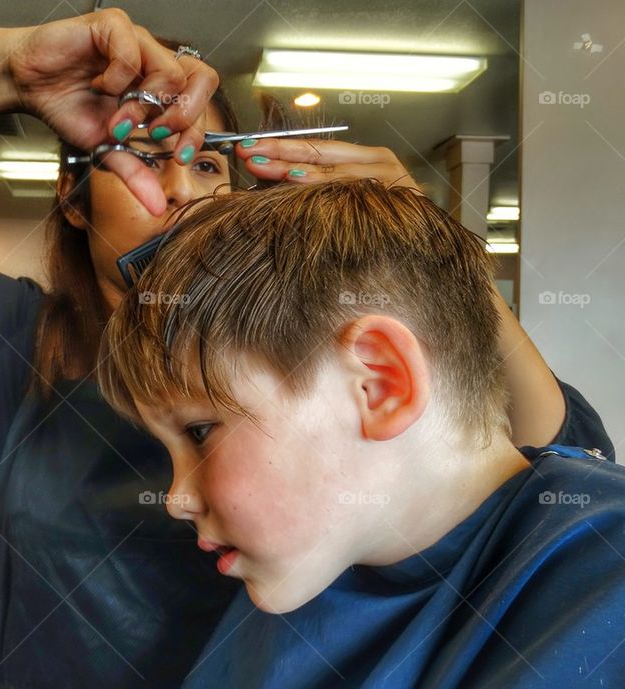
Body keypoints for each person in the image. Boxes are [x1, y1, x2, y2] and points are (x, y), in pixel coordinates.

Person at [0, 8, 612, 689]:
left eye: (210, 161)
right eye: (138, 150)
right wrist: (7, 68)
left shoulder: (328, 379)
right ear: (73, 197)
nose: (180, 185)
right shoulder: (9, 339)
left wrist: (418, 253)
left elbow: (553, 461)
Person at [98, 179, 625, 688]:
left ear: (378, 383)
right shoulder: (321, 557)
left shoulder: (600, 576)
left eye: (200, 431)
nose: (175, 499)